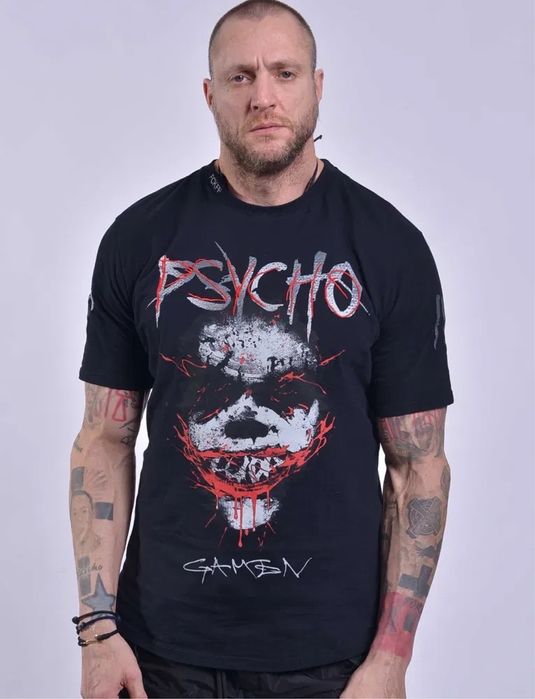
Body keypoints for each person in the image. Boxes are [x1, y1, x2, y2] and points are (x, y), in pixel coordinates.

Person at [69, 1, 454, 697]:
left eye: (284, 72)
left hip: (335, 664)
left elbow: (416, 466)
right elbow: (103, 438)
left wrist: (391, 658)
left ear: (317, 85)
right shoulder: (139, 238)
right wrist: (98, 632)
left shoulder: (390, 247)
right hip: (160, 654)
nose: (264, 96)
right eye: (240, 76)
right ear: (209, 93)